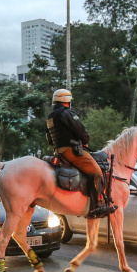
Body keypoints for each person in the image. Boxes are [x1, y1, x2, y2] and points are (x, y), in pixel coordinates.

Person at [45, 89, 117, 218]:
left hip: (58, 151)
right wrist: (85, 141)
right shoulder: (67, 113)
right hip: (70, 151)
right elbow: (80, 129)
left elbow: (49, 138)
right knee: (96, 172)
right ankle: (98, 205)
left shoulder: (50, 117)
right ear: (67, 101)